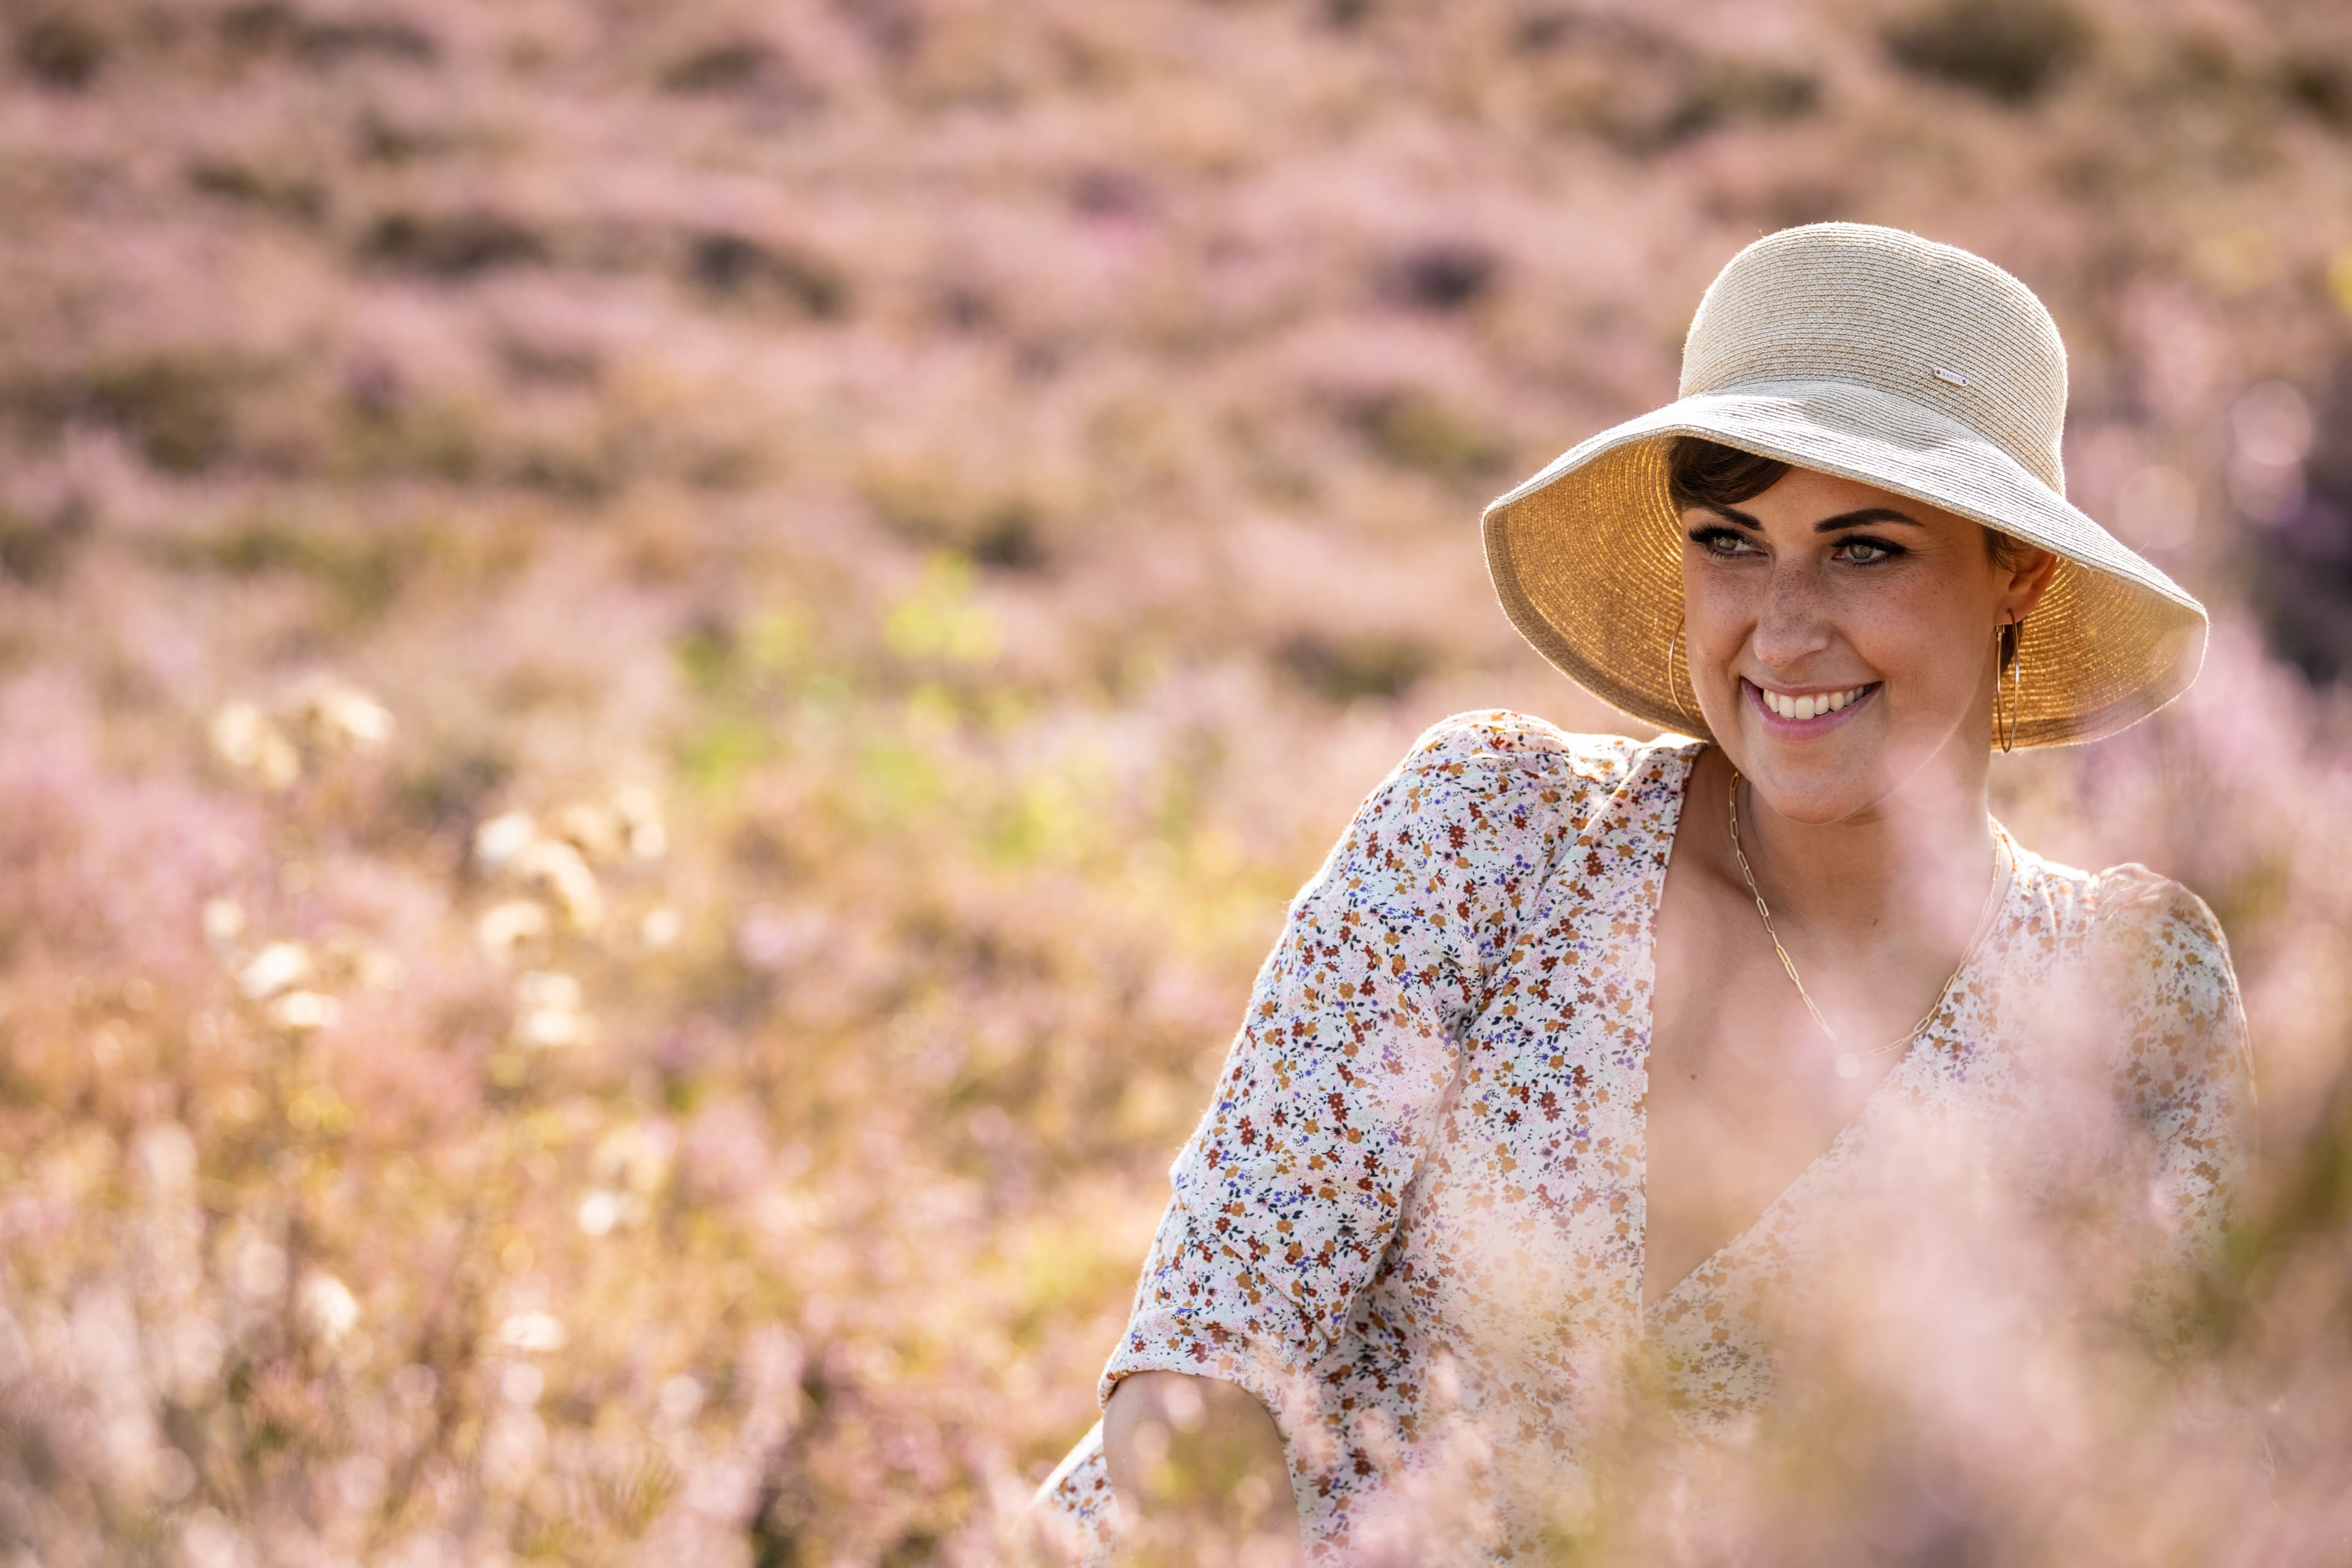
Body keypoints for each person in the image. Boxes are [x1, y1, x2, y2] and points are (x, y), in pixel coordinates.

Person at [1014, 224, 2255, 1566]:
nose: (1780, 630)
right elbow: (1202, 1366)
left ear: (2019, 570)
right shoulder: (1494, 831)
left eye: (1864, 550)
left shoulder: (2130, 1003)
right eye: (1732, 540)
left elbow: (2175, 1496)